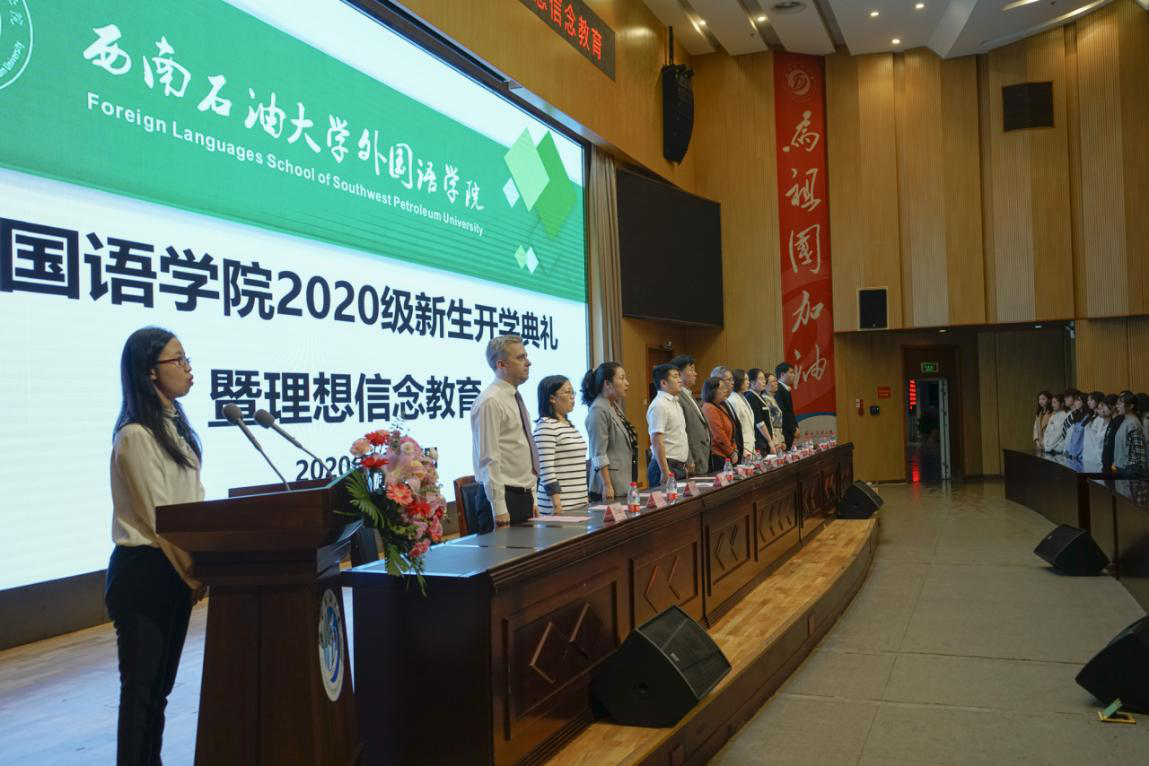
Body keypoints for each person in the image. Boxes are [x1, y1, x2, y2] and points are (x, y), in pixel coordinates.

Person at [105, 327, 204, 766]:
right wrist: (195, 573)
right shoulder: (136, 436)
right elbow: (159, 518)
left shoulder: (175, 429)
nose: (187, 368)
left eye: (186, 358)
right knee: (142, 692)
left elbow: (193, 504)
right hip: (145, 571)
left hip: (174, 569)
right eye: (177, 359)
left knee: (159, 692)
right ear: (149, 371)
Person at [471, 335, 538, 527]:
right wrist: (499, 507)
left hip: (523, 496)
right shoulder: (491, 401)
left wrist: (532, 496)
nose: (528, 362)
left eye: (526, 356)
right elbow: (488, 458)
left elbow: (521, 449)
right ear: (501, 364)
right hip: (503, 500)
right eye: (520, 357)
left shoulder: (515, 397)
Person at [532, 376, 589, 514]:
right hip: (559, 506)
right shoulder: (546, 426)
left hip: (579, 503)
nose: (572, 397)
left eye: (573, 392)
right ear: (552, 398)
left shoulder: (569, 425)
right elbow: (546, 470)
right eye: (567, 392)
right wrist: (557, 505)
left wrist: (584, 497)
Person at [582, 362, 638, 500]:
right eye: (622, 378)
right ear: (607, 384)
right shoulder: (598, 409)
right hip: (609, 486)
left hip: (623, 480)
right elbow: (598, 453)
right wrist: (607, 485)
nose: (627, 383)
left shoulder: (613, 406)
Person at [646, 363, 689, 488]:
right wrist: (665, 471)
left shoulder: (675, 402)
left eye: (679, 376)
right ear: (664, 383)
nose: (680, 380)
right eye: (675, 377)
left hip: (678, 466)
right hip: (665, 467)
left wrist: (683, 466)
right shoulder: (659, 405)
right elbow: (656, 440)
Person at [670, 354, 710, 476]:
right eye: (691, 370)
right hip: (692, 460)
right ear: (679, 374)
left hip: (702, 456)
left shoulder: (689, 395)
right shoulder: (677, 398)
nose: (695, 373)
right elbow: (682, 432)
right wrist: (689, 459)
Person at [701, 376, 739, 472]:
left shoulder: (720, 406)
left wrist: (734, 448)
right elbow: (718, 434)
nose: (725, 390)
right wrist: (731, 452)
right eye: (722, 388)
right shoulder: (709, 408)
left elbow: (730, 431)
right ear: (712, 391)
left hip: (726, 453)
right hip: (718, 455)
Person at [710, 366, 748, 459]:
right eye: (729, 379)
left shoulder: (725, 401)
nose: (733, 382)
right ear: (718, 381)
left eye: (732, 379)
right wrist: (732, 452)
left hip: (736, 451)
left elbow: (734, 428)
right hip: (722, 455)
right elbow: (719, 434)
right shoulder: (713, 405)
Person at [1112, 392, 1147, 476]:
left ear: (1131, 406)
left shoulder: (1133, 423)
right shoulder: (1125, 420)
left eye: (1120, 404)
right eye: (1117, 404)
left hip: (1130, 468)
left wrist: (1139, 470)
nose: (1117, 406)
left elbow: (1139, 450)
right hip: (1122, 466)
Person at [743, 368, 774, 455]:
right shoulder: (751, 397)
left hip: (766, 439)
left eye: (764, 379)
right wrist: (770, 441)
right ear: (752, 382)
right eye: (761, 379)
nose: (764, 381)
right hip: (760, 441)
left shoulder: (759, 396)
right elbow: (760, 423)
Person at [730, 369, 759, 461]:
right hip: (743, 445)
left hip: (750, 442)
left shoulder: (743, 397)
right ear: (738, 381)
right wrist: (741, 449)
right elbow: (735, 427)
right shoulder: (733, 400)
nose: (748, 382)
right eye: (745, 379)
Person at [774, 362, 799, 450]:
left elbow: (790, 412)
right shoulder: (778, 390)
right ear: (782, 374)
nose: (794, 375)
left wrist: (796, 427)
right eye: (791, 372)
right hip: (785, 433)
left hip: (789, 432)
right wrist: (793, 430)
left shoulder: (785, 389)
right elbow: (783, 413)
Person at [1082, 391, 1107, 467]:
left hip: (1096, 456)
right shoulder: (1091, 415)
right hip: (1087, 453)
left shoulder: (1101, 418)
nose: (1088, 402)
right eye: (1088, 400)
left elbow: (1099, 439)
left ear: (1098, 400)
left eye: (1091, 400)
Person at [1102, 393, 1123, 471]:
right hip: (1107, 462)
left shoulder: (1119, 421)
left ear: (1113, 406)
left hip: (1114, 464)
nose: (1103, 409)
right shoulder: (1112, 420)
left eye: (1105, 406)